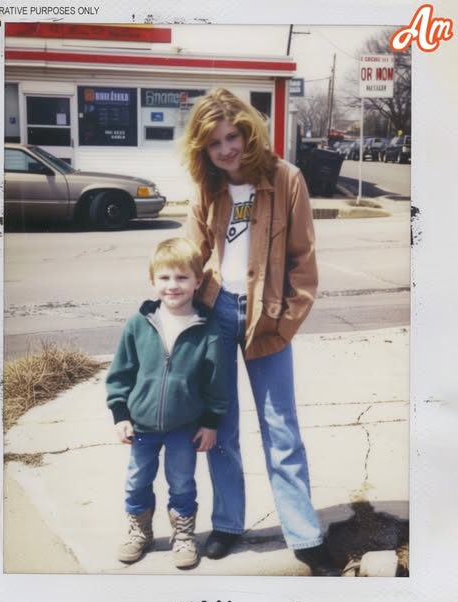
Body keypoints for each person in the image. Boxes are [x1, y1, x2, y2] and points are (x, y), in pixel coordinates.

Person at [181, 87, 339, 576]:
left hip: (266, 316)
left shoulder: (286, 179)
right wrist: (175, 306)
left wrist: (284, 322)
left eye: (233, 136)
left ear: (249, 132)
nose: (226, 149)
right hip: (215, 315)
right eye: (214, 143)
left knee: (281, 429)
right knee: (221, 429)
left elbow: (303, 263)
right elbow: (191, 252)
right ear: (202, 149)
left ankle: (304, 534)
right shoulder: (209, 187)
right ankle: (227, 524)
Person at [106, 237, 227, 569]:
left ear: (198, 282)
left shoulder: (208, 330)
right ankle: (139, 532)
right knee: (137, 480)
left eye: (182, 278)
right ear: (152, 281)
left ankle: (184, 535)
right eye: (165, 278)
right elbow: (121, 373)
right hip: (141, 425)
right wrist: (120, 413)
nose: (173, 286)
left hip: (184, 427)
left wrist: (211, 421)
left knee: (183, 482)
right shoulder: (138, 325)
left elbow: (218, 382)